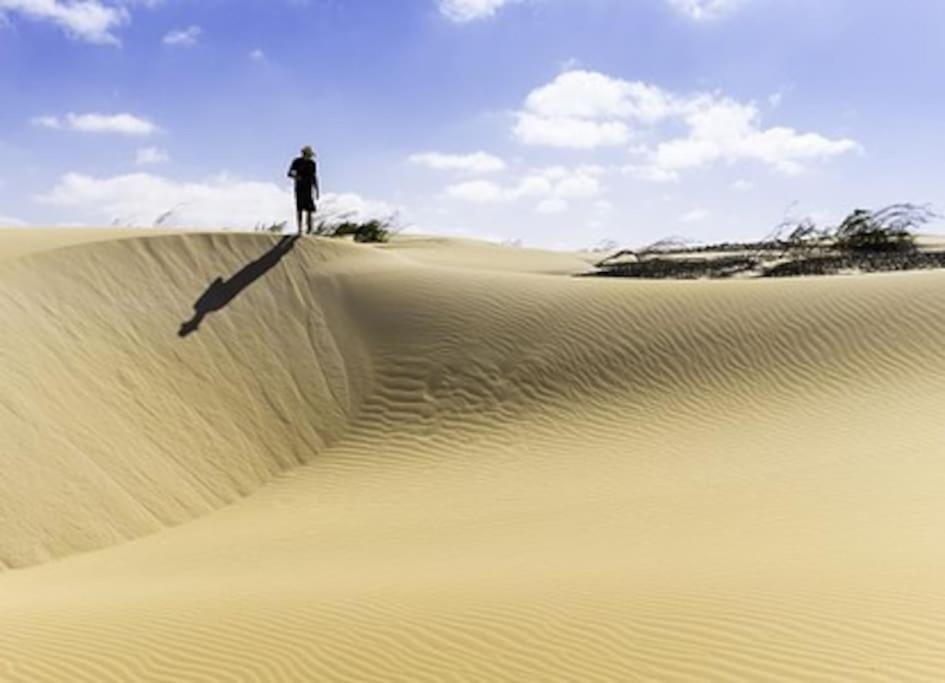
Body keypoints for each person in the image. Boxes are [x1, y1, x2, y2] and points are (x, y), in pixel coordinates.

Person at [287, 146, 320, 235]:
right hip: (299, 188)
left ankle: (309, 229)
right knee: (299, 208)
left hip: (309, 189)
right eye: (308, 154)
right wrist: (296, 177)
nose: (309, 156)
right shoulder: (297, 162)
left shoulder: (312, 163)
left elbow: (314, 176)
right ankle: (300, 229)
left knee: (310, 209)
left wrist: (317, 189)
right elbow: (289, 173)